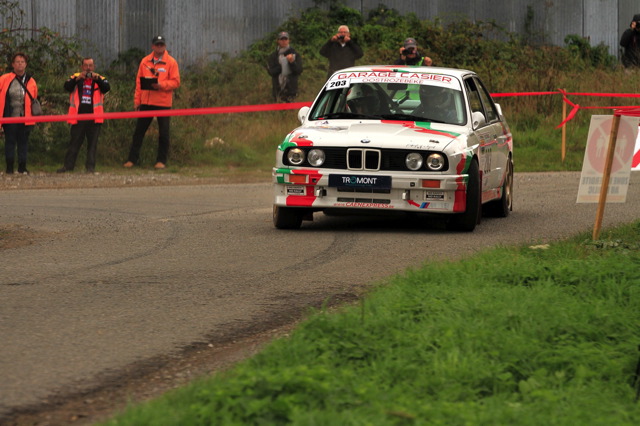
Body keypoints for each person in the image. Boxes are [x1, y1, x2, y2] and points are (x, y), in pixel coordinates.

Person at [124, 35, 180, 169]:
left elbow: (176, 82)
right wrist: (137, 101)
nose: (159, 47)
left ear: (165, 46)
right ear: (152, 46)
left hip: (163, 103)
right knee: (139, 132)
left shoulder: (171, 62)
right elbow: (138, 82)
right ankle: (132, 160)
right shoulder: (145, 61)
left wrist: (161, 85)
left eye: (162, 44)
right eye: (157, 44)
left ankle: (161, 161)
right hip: (146, 102)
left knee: (164, 133)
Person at [57, 58, 110, 173]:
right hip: (78, 116)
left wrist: (97, 80)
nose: (88, 68)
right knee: (74, 142)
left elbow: (106, 88)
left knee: (92, 144)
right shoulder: (75, 77)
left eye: (90, 65)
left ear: (94, 67)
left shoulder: (100, 78)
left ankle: (90, 168)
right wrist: (77, 79)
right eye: (86, 65)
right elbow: (67, 86)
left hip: (94, 116)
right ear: (82, 67)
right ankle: (68, 166)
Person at [0, 53, 37, 175]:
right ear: (13, 64)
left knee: (23, 143)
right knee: (10, 142)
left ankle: (22, 167)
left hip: (25, 117)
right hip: (10, 117)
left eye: (22, 62)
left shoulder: (31, 81)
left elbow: (34, 96)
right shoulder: (4, 79)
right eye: (17, 62)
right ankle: (9, 168)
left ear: (26, 64)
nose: (20, 64)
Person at [267, 31, 303, 103]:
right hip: (277, 90)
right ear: (278, 41)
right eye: (281, 39)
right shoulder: (273, 56)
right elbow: (271, 72)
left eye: (285, 39)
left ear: (289, 40)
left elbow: (298, 70)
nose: (284, 41)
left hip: (291, 90)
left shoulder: (295, 54)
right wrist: (282, 65)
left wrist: (292, 62)